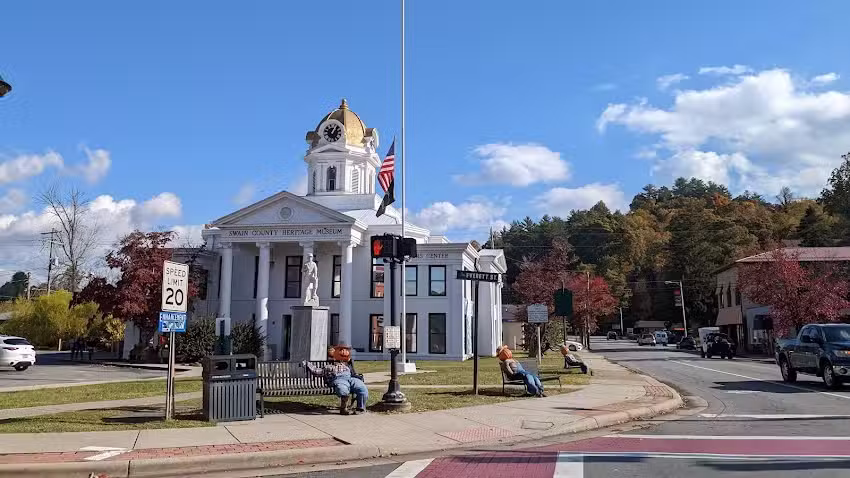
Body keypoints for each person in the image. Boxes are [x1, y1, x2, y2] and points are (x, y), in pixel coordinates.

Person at [303, 344, 368, 415]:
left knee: (361, 387)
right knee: (342, 389)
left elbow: (349, 362)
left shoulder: (344, 364)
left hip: (349, 378)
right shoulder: (327, 367)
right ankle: (343, 409)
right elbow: (316, 371)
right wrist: (307, 364)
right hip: (338, 379)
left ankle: (361, 408)